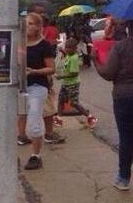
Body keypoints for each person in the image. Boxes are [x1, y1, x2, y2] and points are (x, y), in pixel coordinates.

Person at [92, 21, 133, 190]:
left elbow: (108, 73)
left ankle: (123, 178)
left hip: (125, 97)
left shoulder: (121, 47)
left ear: (128, 28)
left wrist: (95, 60)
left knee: (127, 137)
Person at [18, 13, 55, 170]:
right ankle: (22, 138)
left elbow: (51, 68)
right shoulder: (19, 43)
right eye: (27, 23)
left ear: (39, 26)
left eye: (33, 24)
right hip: (20, 86)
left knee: (34, 120)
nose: (29, 27)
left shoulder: (44, 45)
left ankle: (35, 155)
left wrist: (34, 71)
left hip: (37, 86)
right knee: (20, 116)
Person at [27, 2, 65, 144]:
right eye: (39, 12)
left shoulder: (40, 31)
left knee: (44, 105)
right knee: (47, 106)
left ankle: (31, 134)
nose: (43, 15)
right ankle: (48, 133)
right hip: (39, 77)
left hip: (39, 74)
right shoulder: (33, 33)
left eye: (43, 12)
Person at [56, 38, 97, 127]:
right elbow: (66, 54)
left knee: (74, 103)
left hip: (72, 84)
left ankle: (90, 117)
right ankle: (59, 119)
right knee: (61, 100)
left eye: (69, 48)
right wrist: (62, 51)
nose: (67, 49)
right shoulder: (69, 55)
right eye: (66, 47)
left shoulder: (74, 58)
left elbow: (74, 73)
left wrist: (61, 76)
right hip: (65, 83)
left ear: (74, 49)